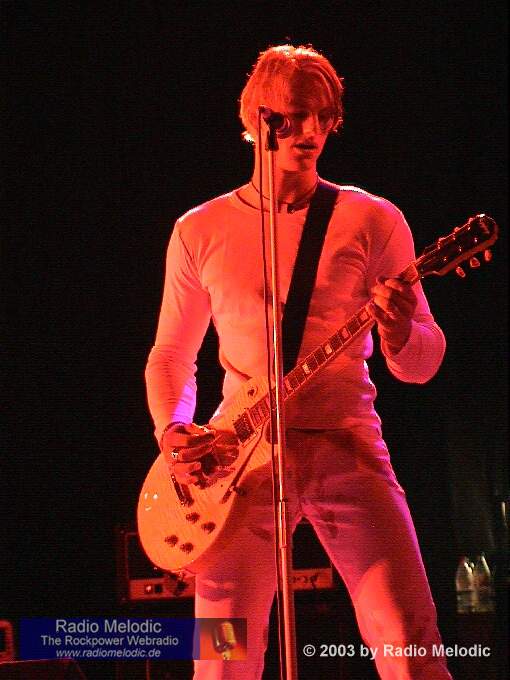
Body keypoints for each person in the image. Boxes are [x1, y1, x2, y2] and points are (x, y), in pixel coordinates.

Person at [145, 44, 453, 680]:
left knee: (410, 642)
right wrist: (173, 431)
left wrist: (399, 329)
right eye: (293, 115)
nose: (310, 131)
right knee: (221, 659)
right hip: (239, 460)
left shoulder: (372, 218)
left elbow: (422, 362)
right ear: (257, 118)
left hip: (348, 444)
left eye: (323, 117)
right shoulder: (199, 229)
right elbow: (172, 352)